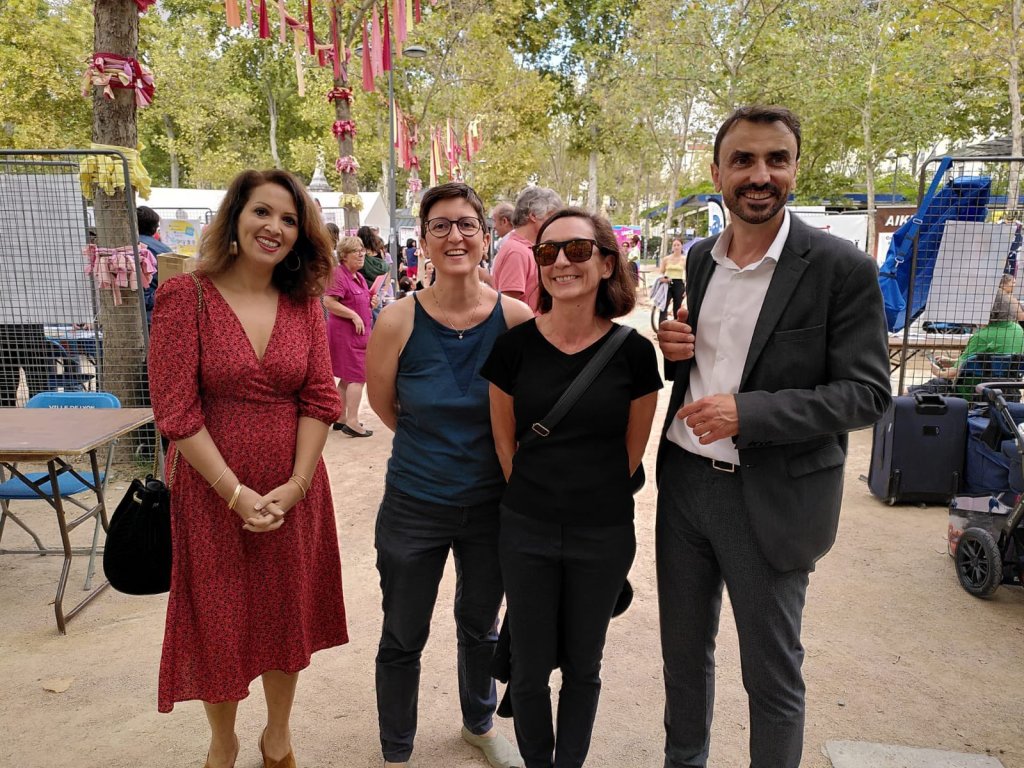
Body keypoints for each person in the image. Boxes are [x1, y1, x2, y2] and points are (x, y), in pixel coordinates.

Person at [655, 106, 891, 768]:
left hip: (771, 497)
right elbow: (711, 363)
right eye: (743, 160)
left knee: (771, 676)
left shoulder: (840, 267)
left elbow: (867, 394)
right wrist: (675, 350)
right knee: (682, 659)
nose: (760, 175)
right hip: (684, 487)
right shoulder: (699, 258)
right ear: (717, 174)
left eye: (776, 160)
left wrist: (749, 414)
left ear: (794, 168)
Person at [148, 169, 347, 768]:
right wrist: (235, 493)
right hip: (211, 493)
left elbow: (320, 399)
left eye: (289, 219)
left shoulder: (304, 303)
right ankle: (224, 740)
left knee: (287, 613)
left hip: (294, 490)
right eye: (263, 212)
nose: (275, 228)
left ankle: (277, 736)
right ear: (235, 216)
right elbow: (176, 411)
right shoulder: (187, 296)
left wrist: (297, 485)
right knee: (219, 618)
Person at [481, 208, 661, 768]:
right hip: (527, 528)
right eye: (548, 251)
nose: (561, 261)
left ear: (607, 264)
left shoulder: (634, 353)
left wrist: (587, 496)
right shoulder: (513, 348)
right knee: (530, 669)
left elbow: (631, 452)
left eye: (578, 250)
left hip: (602, 532)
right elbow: (504, 443)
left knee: (584, 666)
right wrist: (539, 496)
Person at [366, 181, 533, 768]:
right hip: (415, 504)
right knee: (402, 632)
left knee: (481, 625)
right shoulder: (397, 320)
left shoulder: (515, 319)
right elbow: (385, 405)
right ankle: (397, 748)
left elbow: (525, 408)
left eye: (466, 224)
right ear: (424, 239)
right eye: (440, 225)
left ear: (486, 236)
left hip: (492, 505)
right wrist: (432, 448)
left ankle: (479, 724)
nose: (454, 236)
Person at [910, 275, 1024, 397]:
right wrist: (952, 361)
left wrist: (938, 372)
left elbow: (953, 373)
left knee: (919, 388)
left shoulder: (982, 336)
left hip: (972, 391)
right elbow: (993, 361)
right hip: (1006, 390)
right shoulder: (1018, 331)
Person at [325, 236, 379, 437]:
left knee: (348, 378)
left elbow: (360, 300)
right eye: (356, 251)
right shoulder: (339, 275)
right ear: (344, 256)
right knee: (358, 376)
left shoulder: (358, 277)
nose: (361, 254)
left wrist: (371, 302)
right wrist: (353, 315)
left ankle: (340, 418)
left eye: (362, 250)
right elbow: (329, 302)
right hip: (346, 334)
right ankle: (353, 422)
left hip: (357, 334)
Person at [492, 187, 562, 314]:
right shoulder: (517, 252)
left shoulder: (524, 249)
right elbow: (508, 309)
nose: (555, 223)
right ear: (533, 215)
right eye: (551, 216)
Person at [138, 205, 170, 326]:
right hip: (154, 311)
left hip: (129, 309)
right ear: (154, 227)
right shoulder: (165, 250)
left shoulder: (122, 247)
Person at [658, 237, 687, 322]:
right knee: (663, 306)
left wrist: (687, 288)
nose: (676, 247)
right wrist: (662, 279)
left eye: (678, 245)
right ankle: (661, 325)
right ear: (672, 247)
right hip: (667, 283)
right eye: (674, 245)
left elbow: (688, 274)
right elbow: (661, 272)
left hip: (679, 284)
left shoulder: (685, 259)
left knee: (677, 308)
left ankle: (675, 325)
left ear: (681, 246)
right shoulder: (666, 259)